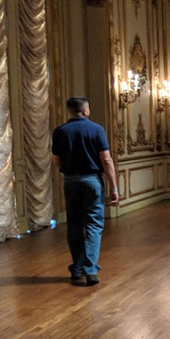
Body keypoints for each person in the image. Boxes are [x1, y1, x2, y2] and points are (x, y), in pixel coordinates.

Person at [51, 97, 118, 287]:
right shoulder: (97, 130)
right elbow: (106, 160)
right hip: (92, 180)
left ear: (70, 111)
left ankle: (77, 269)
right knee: (93, 225)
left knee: (74, 224)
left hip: (70, 181)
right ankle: (90, 270)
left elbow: (56, 160)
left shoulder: (60, 131)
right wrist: (114, 187)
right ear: (86, 111)